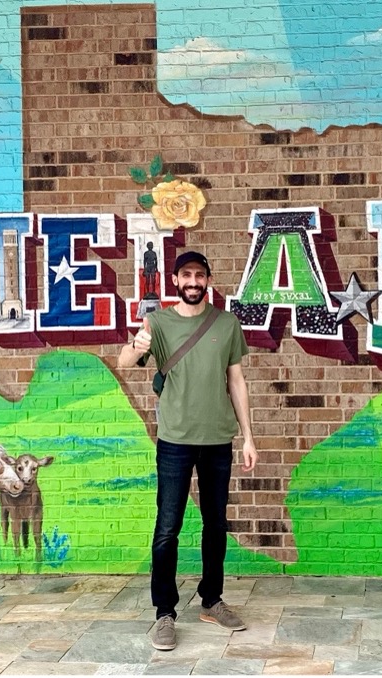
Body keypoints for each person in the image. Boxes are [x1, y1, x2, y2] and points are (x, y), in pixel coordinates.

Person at [116, 250, 257, 651]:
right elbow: (126, 361)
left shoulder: (226, 324)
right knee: (168, 528)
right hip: (175, 440)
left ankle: (212, 600)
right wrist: (137, 343)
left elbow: (237, 381)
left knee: (215, 525)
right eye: (186, 276)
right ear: (176, 281)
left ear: (208, 281)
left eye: (200, 276)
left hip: (218, 439)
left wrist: (248, 436)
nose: (193, 282)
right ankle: (164, 612)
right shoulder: (158, 322)